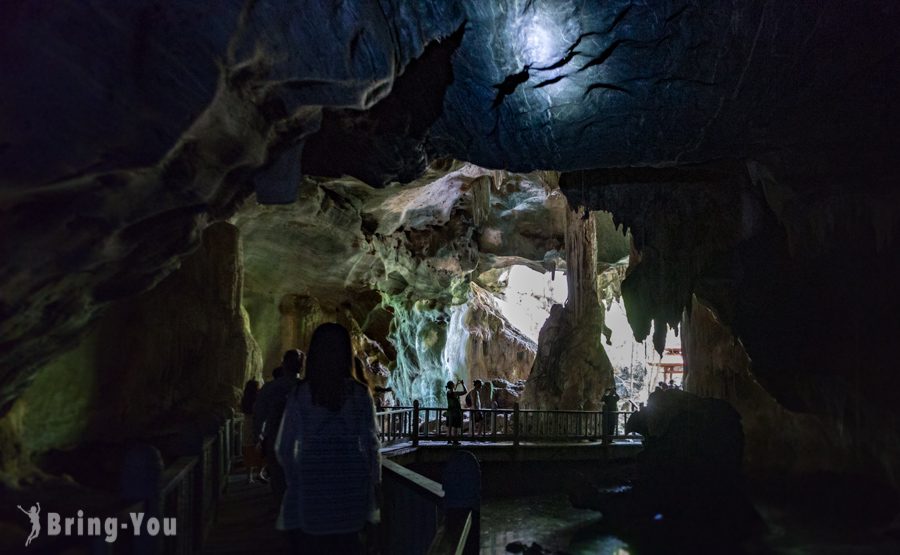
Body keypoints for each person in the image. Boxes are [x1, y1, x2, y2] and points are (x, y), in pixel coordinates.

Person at [276, 323, 380, 554]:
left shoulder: (300, 394)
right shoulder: (360, 393)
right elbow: (371, 446)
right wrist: (373, 487)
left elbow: (284, 448)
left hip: (313, 486)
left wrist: (297, 480)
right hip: (350, 487)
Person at [255, 350, 303, 502]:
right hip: (301, 442)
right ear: (301, 366)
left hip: (276, 438)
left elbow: (259, 414)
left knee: (278, 479)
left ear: (283, 365)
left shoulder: (270, 388)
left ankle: (281, 510)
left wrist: (258, 436)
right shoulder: (307, 389)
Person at [241, 379, 267, 483]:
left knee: (248, 449)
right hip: (258, 423)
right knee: (260, 448)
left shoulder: (245, 399)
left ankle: (249, 476)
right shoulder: (259, 399)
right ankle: (259, 473)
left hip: (248, 423)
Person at [446, 380, 467, 445]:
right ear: (452, 385)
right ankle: (455, 441)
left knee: (450, 425)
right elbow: (465, 391)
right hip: (455, 411)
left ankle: (449, 440)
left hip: (450, 411)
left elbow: (453, 390)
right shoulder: (455, 393)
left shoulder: (448, 392)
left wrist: (457, 384)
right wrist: (463, 384)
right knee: (455, 426)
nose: (454, 384)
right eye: (453, 384)